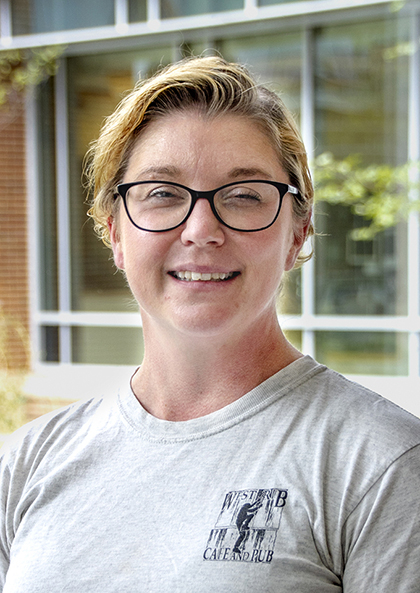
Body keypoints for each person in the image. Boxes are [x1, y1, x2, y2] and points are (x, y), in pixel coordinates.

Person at [1, 56, 419, 592]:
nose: (202, 230)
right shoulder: (29, 461)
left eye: (244, 196)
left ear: (298, 233)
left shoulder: (381, 466)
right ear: (114, 233)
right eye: (162, 193)